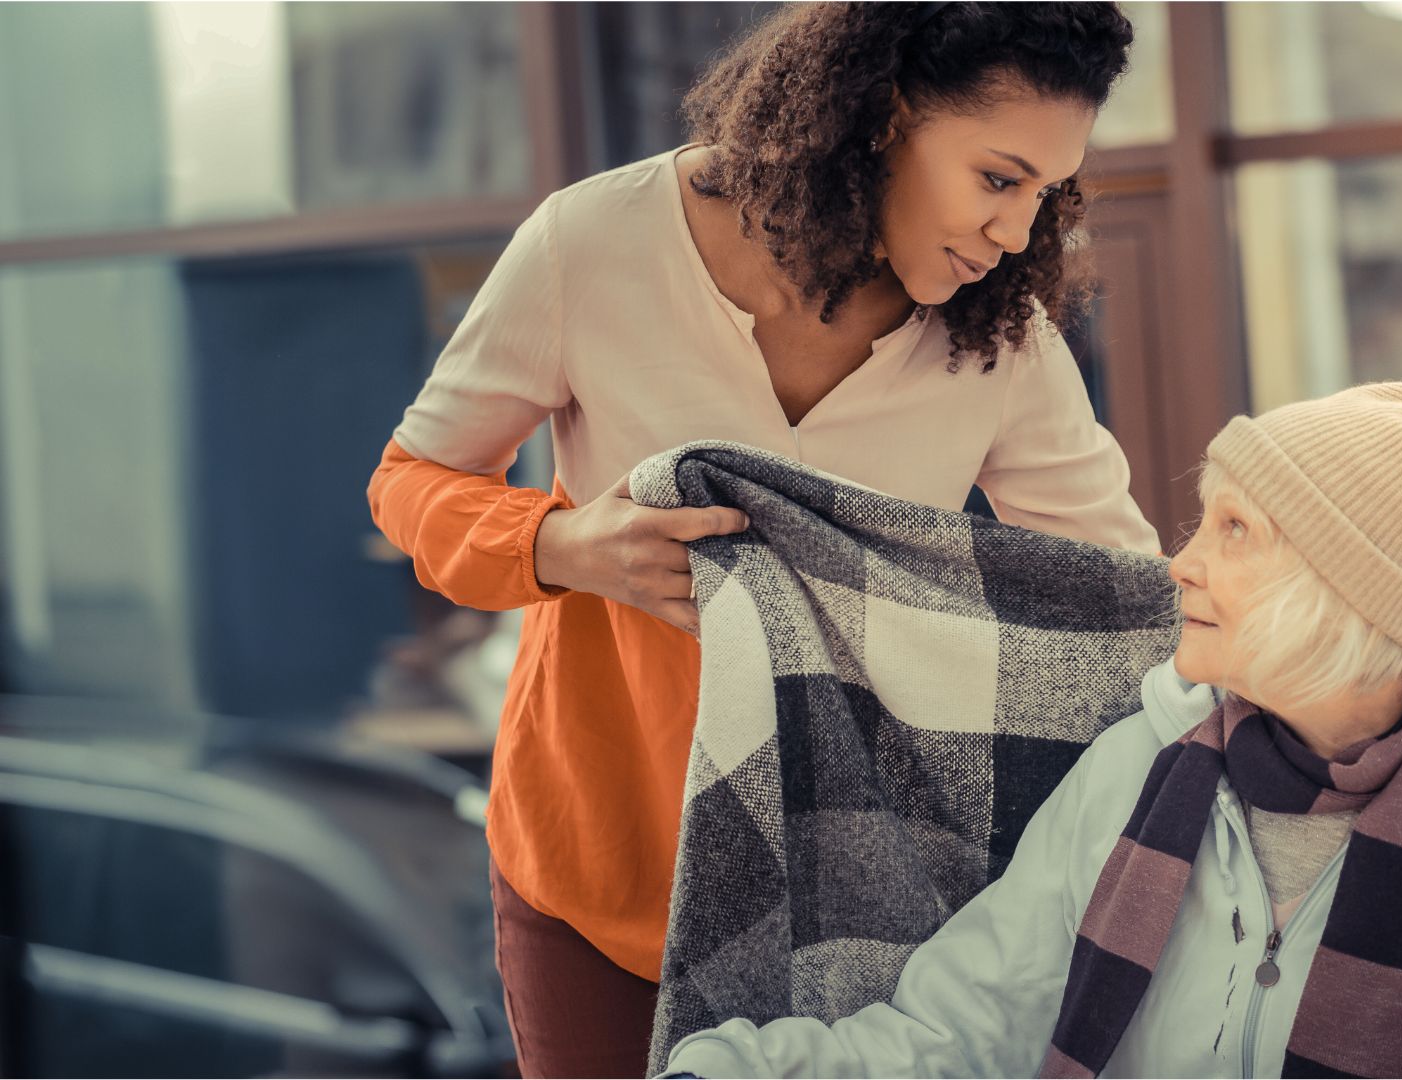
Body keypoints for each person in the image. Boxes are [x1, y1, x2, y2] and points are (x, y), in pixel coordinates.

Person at [365, 4, 1158, 1075]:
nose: (1019, 233)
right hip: (597, 863)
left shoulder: (999, 341)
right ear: (883, 117)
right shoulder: (591, 244)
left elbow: (1120, 594)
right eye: (998, 179)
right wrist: (563, 545)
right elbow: (412, 482)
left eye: (1047, 194)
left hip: (850, 897)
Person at [662, 384, 1402, 1079]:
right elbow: (955, 1041)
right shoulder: (1133, 776)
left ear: (1348, 590)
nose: (1181, 563)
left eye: (1237, 531)